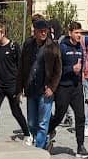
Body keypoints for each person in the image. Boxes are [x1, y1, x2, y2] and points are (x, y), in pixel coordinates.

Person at [17, 16, 61, 149]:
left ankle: (40, 149)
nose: (43, 33)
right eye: (40, 31)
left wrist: (52, 88)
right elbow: (22, 68)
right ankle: (44, 142)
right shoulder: (28, 45)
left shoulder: (52, 46)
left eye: (45, 31)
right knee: (31, 122)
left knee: (43, 122)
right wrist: (19, 88)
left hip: (45, 90)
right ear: (35, 31)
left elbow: (58, 70)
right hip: (31, 89)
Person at [51, 21, 88, 158]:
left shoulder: (80, 48)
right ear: (70, 33)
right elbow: (57, 69)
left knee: (80, 116)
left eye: (81, 33)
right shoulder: (62, 47)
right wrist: (71, 69)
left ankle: (80, 146)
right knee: (59, 115)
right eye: (77, 33)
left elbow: (82, 65)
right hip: (63, 87)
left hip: (76, 87)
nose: (79, 35)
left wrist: (81, 75)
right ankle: (48, 133)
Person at [0, 23, 27, 140]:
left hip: (12, 84)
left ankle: (27, 134)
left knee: (16, 111)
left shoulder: (13, 47)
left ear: (3, 33)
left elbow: (21, 68)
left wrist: (20, 88)